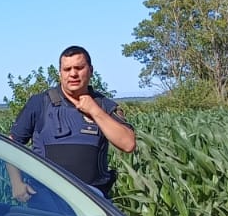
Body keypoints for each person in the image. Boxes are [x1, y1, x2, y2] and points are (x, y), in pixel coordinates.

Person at [8, 46, 136, 199]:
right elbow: (11, 145)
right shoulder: (40, 103)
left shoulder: (104, 106)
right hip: (48, 200)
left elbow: (128, 144)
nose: (73, 74)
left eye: (79, 68)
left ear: (91, 70)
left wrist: (95, 111)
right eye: (67, 69)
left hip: (94, 201)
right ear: (60, 73)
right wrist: (16, 183)